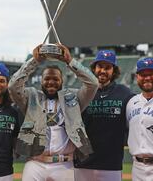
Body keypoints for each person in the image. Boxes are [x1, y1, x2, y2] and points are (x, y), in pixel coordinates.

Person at [8, 44, 98, 181]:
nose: (51, 82)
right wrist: (34, 61)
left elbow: (93, 84)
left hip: (64, 165)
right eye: (47, 79)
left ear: (62, 81)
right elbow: (13, 86)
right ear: (42, 81)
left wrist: (69, 61)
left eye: (56, 79)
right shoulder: (31, 97)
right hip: (35, 163)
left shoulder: (73, 97)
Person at [73, 50, 134, 180]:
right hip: (83, 163)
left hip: (111, 164)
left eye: (108, 68)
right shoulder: (83, 93)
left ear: (114, 70)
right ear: (94, 68)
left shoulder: (125, 93)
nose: (103, 71)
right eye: (100, 66)